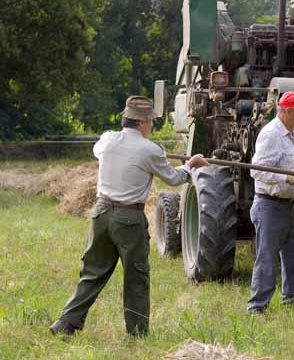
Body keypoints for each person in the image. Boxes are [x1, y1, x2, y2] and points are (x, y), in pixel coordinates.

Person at [50, 96, 208, 337]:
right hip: (128, 218)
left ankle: (65, 323)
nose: (152, 127)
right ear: (143, 123)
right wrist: (192, 165)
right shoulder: (149, 149)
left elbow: (99, 151)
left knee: (93, 272)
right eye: (152, 122)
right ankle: (137, 332)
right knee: (136, 276)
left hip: (100, 212)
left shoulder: (107, 140)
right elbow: (174, 179)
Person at [247, 91, 294, 314]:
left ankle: (292, 301)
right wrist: (285, 177)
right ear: (287, 111)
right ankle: (257, 308)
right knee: (266, 259)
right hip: (270, 205)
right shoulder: (271, 134)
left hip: (291, 204)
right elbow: (257, 171)